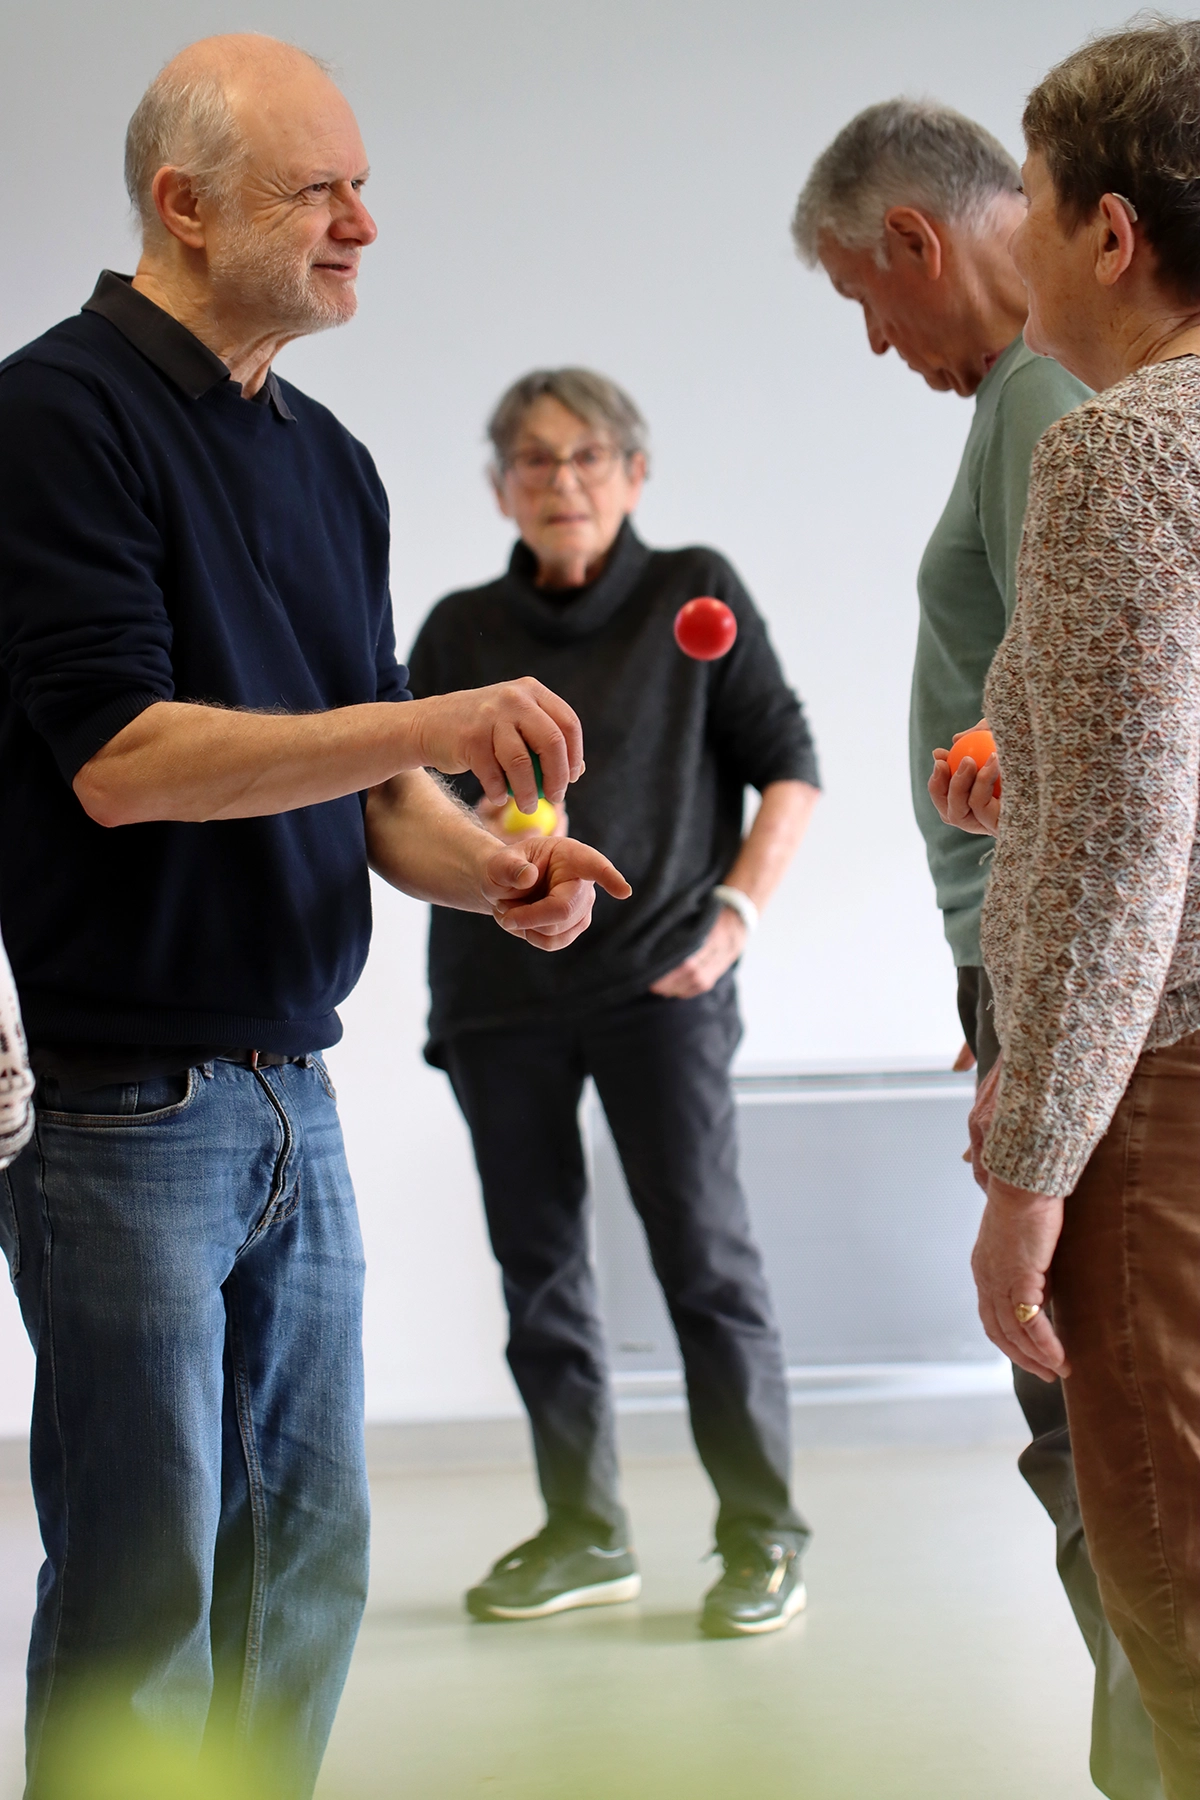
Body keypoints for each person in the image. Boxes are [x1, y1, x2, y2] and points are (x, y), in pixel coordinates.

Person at [0, 37, 628, 1799]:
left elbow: (370, 801)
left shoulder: (329, 460)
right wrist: (433, 724)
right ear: (183, 209)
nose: (364, 221)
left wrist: (490, 866)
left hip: (296, 1091)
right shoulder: (54, 417)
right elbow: (123, 763)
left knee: (304, 1572)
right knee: (143, 1582)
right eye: (319, 192)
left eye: (361, 183)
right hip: (121, 1103)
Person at [794, 102, 1161, 1800]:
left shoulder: (1061, 415)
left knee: (1110, 1458)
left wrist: (1030, 1067)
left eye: (867, 301)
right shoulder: (1060, 408)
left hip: (1101, 1001)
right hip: (1080, 978)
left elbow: (1111, 786)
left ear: (920, 243)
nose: (878, 342)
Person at [406, 368, 821, 1637]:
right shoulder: (458, 627)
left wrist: (733, 922)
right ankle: (585, 1534)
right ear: (499, 489)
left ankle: (762, 1537)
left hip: (661, 983)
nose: (563, 482)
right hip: (498, 993)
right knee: (539, 1274)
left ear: (634, 475)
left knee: (704, 1262)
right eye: (534, 462)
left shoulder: (695, 589)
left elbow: (788, 767)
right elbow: (406, 799)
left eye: (588, 457)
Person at [934, 20, 1200, 1795]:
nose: (1010, 241)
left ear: (1112, 231)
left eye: (1026, 199)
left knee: (1178, 1606)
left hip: (1162, 1100)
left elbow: (1123, 870)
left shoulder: (1118, 454)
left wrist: (1026, 1182)